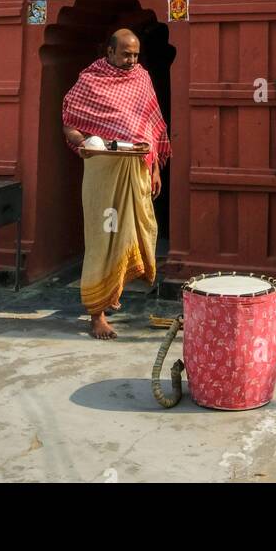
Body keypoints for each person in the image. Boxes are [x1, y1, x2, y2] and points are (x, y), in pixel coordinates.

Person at [62, 28, 170, 339]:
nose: (131, 60)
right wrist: (82, 143)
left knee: (139, 229)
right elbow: (70, 123)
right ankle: (97, 314)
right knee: (102, 237)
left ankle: (113, 294)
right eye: (125, 54)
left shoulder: (142, 79)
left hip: (136, 167)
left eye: (135, 54)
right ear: (109, 52)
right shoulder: (89, 81)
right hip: (102, 171)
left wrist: (155, 170)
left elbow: (151, 126)